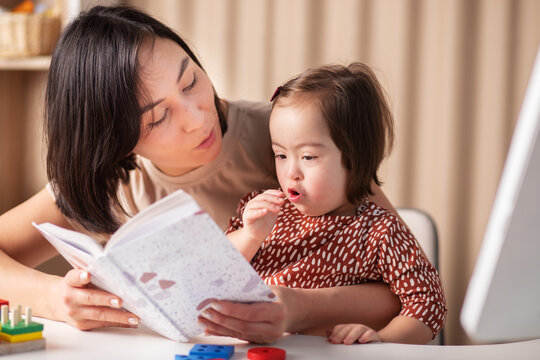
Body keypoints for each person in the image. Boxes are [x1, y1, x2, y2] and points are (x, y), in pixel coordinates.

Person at [0, 6, 403, 344]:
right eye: (159, 117)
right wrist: (56, 298)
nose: (197, 118)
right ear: (114, 140)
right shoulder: (107, 182)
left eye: (190, 80)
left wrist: (298, 308)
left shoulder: (290, 140)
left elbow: (406, 287)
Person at [226, 63, 447, 344]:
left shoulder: (379, 230)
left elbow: (428, 303)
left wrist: (380, 340)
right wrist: (250, 235)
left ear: (354, 161)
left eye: (308, 157)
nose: (291, 172)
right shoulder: (262, 210)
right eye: (280, 155)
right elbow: (215, 272)